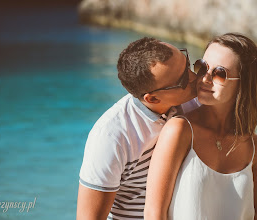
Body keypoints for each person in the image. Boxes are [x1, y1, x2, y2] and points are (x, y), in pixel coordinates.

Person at [144, 33, 257, 220]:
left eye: (219, 73)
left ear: (243, 83)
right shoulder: (179, 130)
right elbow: (154, 214)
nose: (205, 78)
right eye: (202, 67)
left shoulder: (254, 147)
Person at [76, 37, 201, 219]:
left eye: (188, 64)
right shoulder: (113, 136)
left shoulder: (196, 101)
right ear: (152, 99)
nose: (194, 77)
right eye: (182, 80)